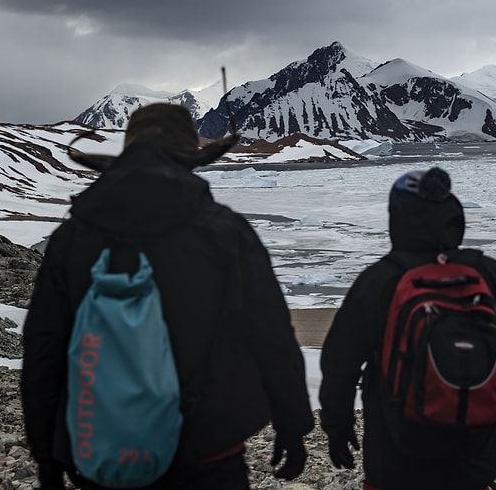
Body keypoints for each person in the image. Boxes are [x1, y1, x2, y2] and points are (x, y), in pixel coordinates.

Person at [21, 103, 314, 489]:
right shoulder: (224, 232)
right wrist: (292, 422)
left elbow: (45, 343)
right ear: (188, 156)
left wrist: (47, 451)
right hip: (207, 451)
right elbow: (271, 333)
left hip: (105, 444)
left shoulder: (73, 236)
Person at [319, 167, 496, 490]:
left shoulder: (379, 280)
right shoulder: (492, 275)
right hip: (473, 454)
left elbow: (340, 363)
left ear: (398, 219)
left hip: (395, 455)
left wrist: (337, 426)